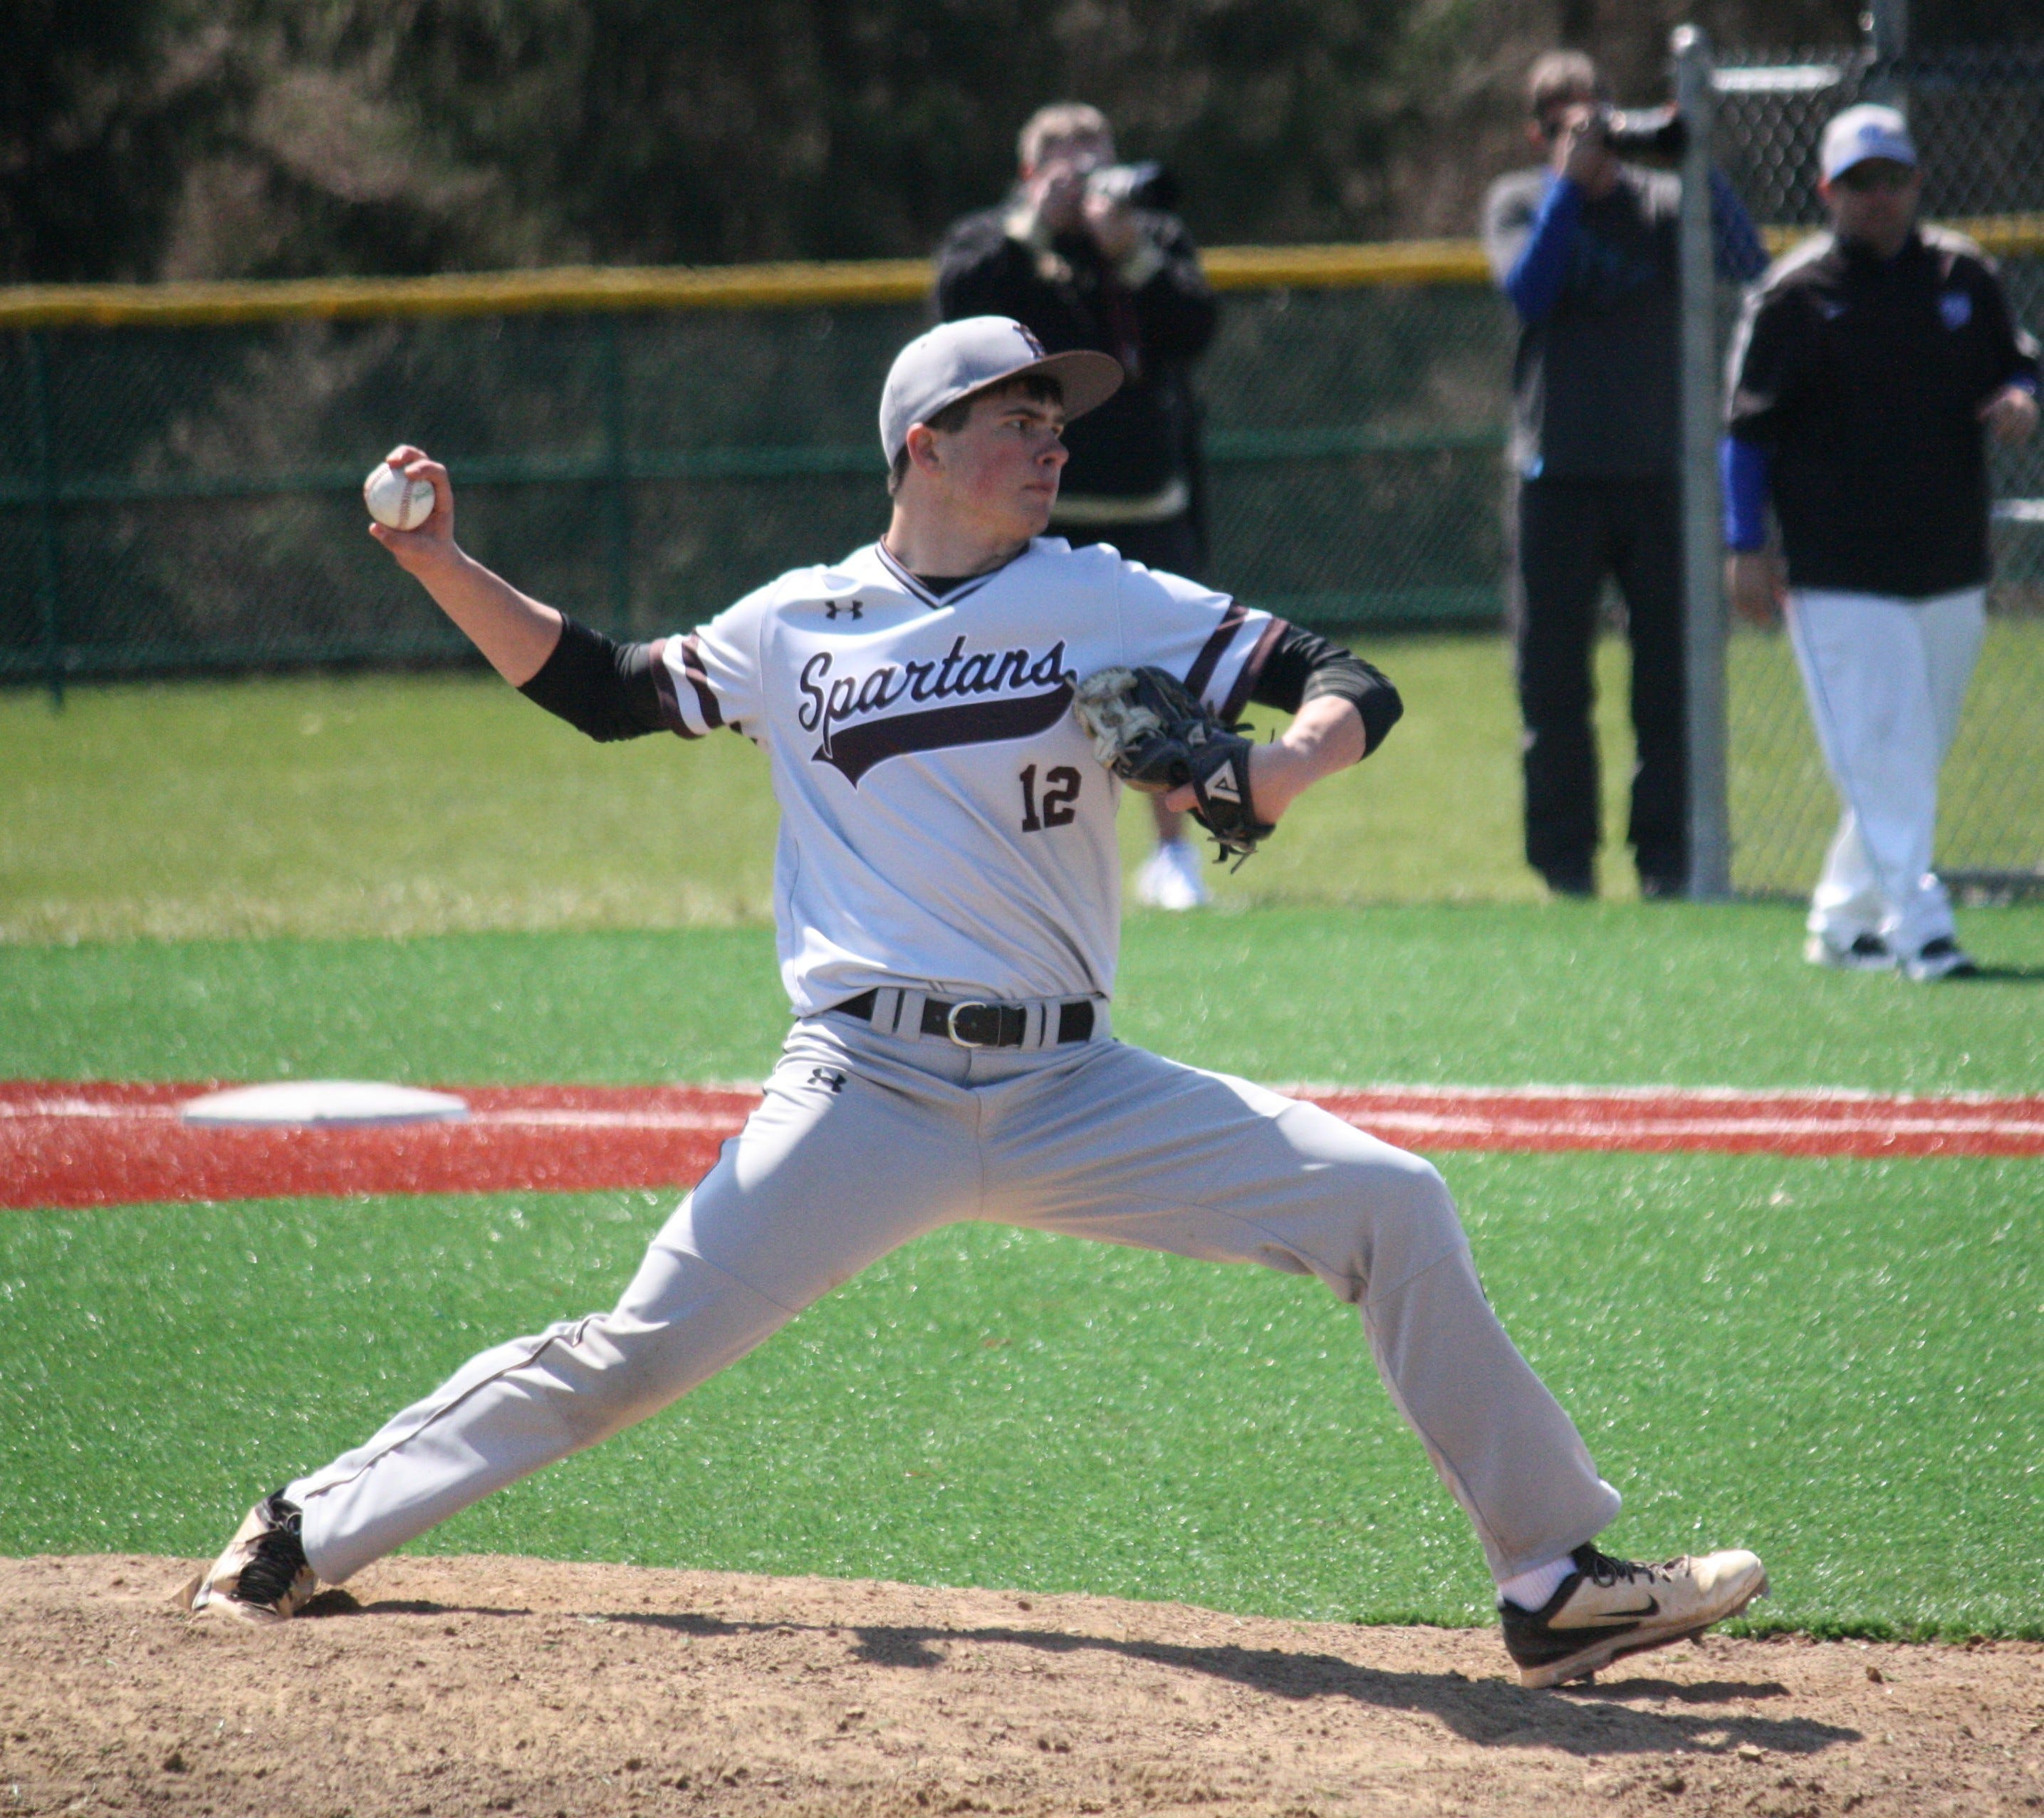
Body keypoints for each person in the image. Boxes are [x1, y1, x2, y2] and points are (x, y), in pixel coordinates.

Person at [191, 316, 1766, 1690]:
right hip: (861, 1089)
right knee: (633, 1356)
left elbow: (1348, 669)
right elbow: (605, 690)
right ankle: (308, 1525)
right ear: (923, 446)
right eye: (1019, 418)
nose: (1051, 441)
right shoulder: (796, 621)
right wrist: (434, 556)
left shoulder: (1100, 592)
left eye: (1056, 420)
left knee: (1390, 1203)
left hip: (1078, 1092)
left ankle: (1552, 1582)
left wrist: (1282, 768)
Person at [1724, 105, 2040, 980]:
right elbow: (1745, 435)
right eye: (1858, 183)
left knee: (1910, 756)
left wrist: (2020, 396)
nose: (1877, 197)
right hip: (1836, 571)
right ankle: (1919, 927)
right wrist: (1743, 543)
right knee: (1882, 753)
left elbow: (2014, 364)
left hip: (1946, 562)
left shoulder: (1960, 275)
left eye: (1891, 179)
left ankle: (1840, 915)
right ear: (1826, 190)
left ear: (1914, 184)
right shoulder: (1794, 295)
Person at [1483, 52, 1768, 899]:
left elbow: (1750, 262)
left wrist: (1691, 157)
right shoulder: (1521, 201)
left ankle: (1668, 861)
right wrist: (1569, 185)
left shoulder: (1663, 205)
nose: (1596, 134)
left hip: (1661, 476)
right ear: (1541, 135)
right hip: (1555, 475)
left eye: (1602, 115)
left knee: (1670, 683)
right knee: (1553, 683)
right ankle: (1565, 868)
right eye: (1572, 123)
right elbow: (1529, 293)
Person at [937, 102, 1220, 912]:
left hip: (1144, 504)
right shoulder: (992, 241)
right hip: (1026, 516)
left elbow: (1194, 326)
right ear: (1027, 175)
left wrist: (1125, 251)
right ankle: (1016, 863)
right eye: (1058, 157)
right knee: (1018, 691)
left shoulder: (1149, 238)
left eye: (1092, 153)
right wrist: (1034, 230)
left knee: (1157, 689)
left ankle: (1173, 856)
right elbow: (957, 302)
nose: (1080, 170)